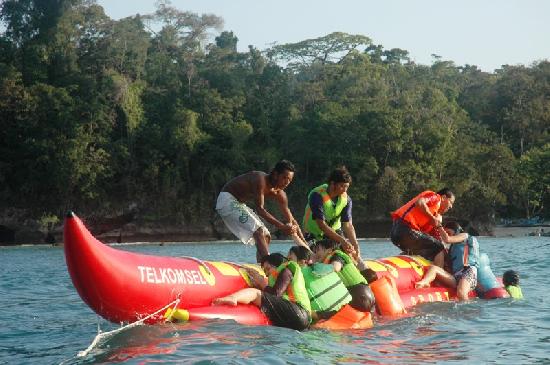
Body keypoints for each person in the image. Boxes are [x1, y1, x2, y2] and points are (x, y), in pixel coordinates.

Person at [216, 160, 308, 262]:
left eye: (289, 180)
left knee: (265, 236)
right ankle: (268, 264)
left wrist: (305, 245)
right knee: (258, 230)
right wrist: (281, 226)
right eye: (284, 178)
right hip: (226, 200)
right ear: (275, 174)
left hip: (238, 204)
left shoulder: (280, 194)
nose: (286, 183)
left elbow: (292, 221)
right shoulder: (260, 180)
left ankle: (261, 266)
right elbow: (260, 209)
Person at [213, 253, 311, 330]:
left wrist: (261, 283)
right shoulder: (282, 273)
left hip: (299, 313)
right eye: (265, 272)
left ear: (278, 265)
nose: (267, 274)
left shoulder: (286, 271)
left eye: (268, 269)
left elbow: (276, 294)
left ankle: (233, 298)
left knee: (255, 293)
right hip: (301, 320)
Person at [302, 166, 361, 258]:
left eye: (347, 187)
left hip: (335, 233)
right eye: (342, 186)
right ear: (332, 184)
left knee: (349, 253)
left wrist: (355, 244)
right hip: (312, 234)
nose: (345, 190)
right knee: (315, 257)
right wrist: (342, 240)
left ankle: (359, 267)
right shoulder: (317, 196)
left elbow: (348, 225)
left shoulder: (347, 200)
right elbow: (321, 224)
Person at [390, 188, 455, 267]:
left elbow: (431, 236)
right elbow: (419, 202)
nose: (451, 207)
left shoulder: (433, 213)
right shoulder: (436, 197)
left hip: (396, 233)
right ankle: (438, 274)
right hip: (405, 230)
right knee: (439, 248)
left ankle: (392, 265)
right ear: (444, 197)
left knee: (425, 248)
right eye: (451, 202)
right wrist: (432, 218)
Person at [415, 222, 477, 301]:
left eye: (449, 232)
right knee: (434, 268)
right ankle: (424, 282)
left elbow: (447, 239)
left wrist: (438, 225)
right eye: (446, 233)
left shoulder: (465, 236)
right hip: (455, 276)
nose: (447, 234)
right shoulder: (452, 248)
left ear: (457, 231)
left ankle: (466, 311)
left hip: (468, 271)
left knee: (461, 293)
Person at [287, 245, 352, 321]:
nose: (287, 263)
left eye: (290, 259)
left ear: (301, 261)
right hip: (349, 309)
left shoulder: (298, 275)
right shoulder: (322, 267)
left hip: (327, 317)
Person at [311, 239, 375, 312]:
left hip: (358, 295)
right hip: (365, 294)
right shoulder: (330, 258)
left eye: (318, 249)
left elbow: (336, 267)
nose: (316, 253)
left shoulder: (336, 256)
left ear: (329, 250)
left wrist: (316, 267)